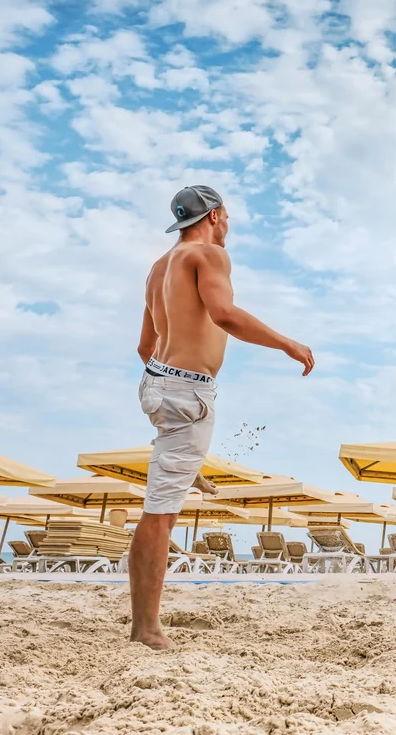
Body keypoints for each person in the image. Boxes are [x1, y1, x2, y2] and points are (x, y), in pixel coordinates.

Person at [133, 185, 314, 650]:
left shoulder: (159, 269)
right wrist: (288, 343)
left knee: (170, 480)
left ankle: (185, 463)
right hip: (187, 391)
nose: (228, 227)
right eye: (227, 218)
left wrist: (167, 386)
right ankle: (146, 629)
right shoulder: (208, 256)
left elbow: (144, 346)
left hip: (157, 384)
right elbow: (225, 314)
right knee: (160, 515)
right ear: (214, 215)